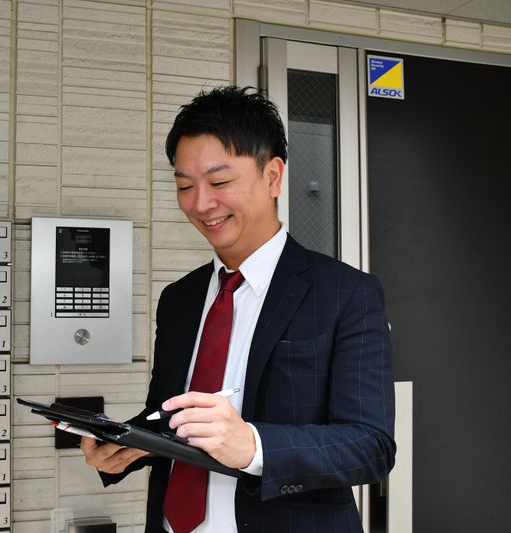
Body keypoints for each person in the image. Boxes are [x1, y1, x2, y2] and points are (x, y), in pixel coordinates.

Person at [79, 86, 395, 532]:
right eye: (185, 186)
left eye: (220, 182)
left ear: (273, 176)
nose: (200, 203)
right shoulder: (180, 299)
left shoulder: (346, 293)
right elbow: (170, 417)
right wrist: (128, 443)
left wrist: (254, 445)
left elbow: (371, 445)